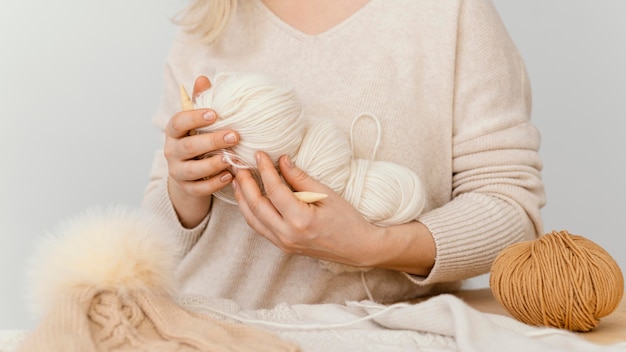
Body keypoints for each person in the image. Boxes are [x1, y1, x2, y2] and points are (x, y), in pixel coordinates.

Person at [141, 0, 546, 309]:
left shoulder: (450, 14)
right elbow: (157, 236)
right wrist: (185, 191)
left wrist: (375, 246)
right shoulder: (212, 19)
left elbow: (512, 210)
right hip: (213, 333)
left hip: (385, 334)